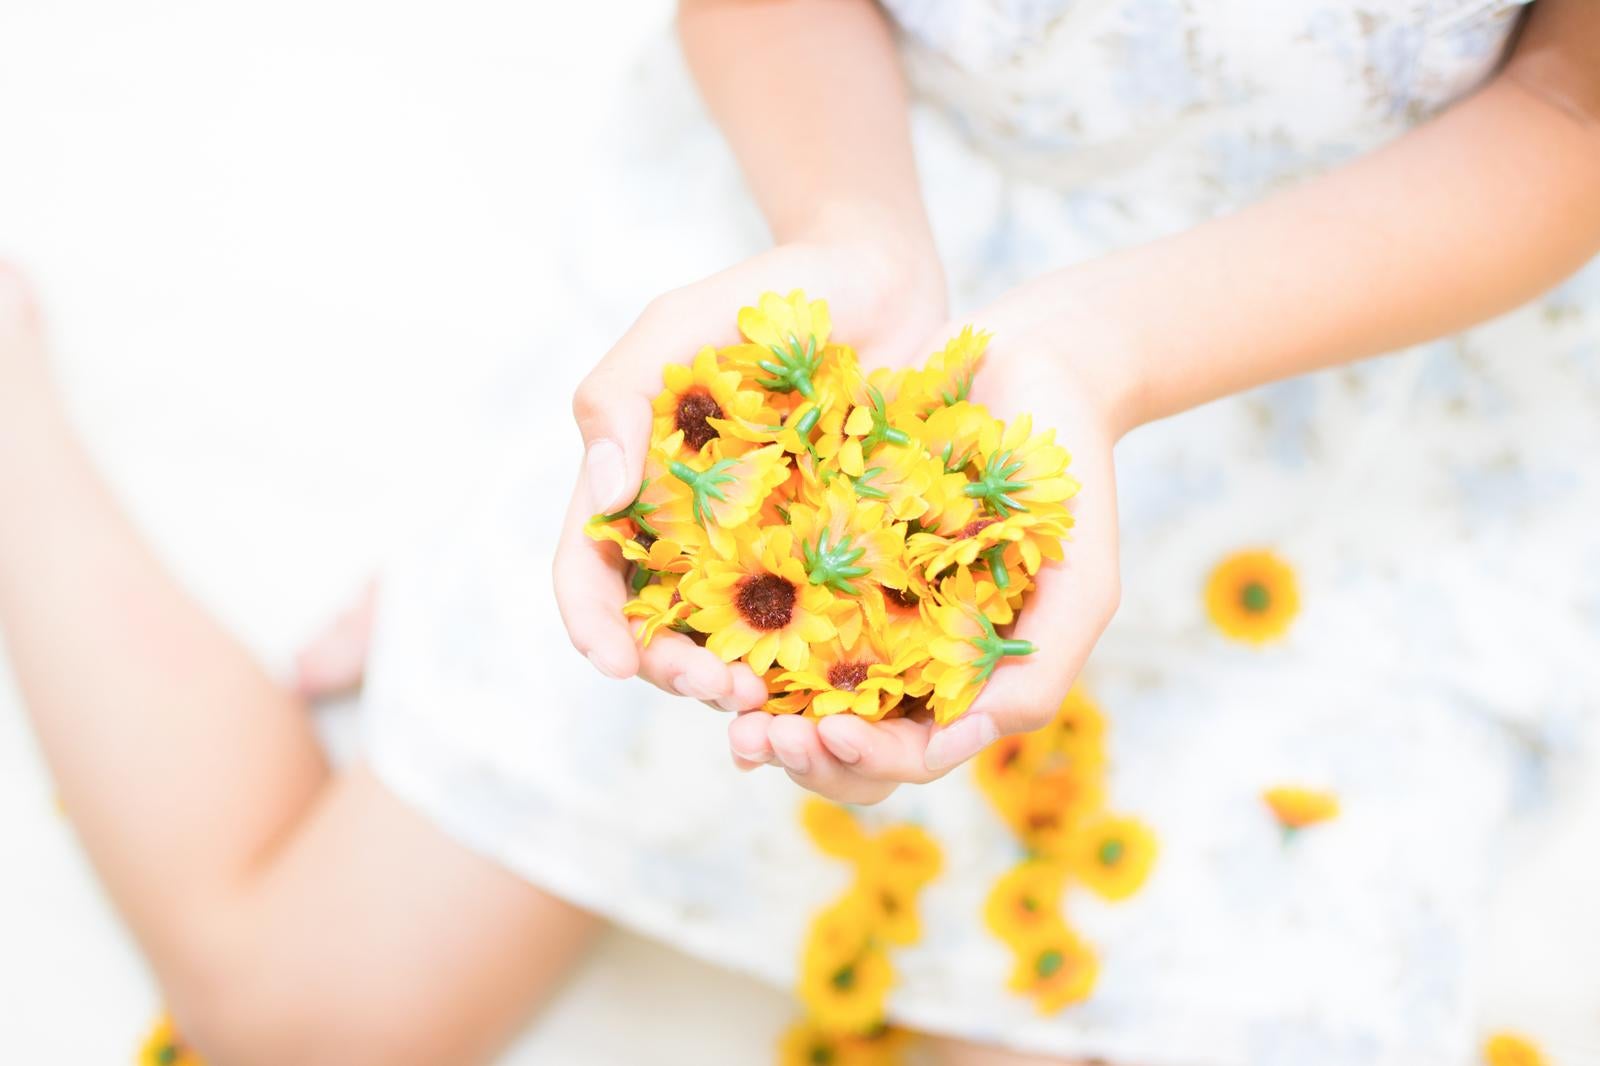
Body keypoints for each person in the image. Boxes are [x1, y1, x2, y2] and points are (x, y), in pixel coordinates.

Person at [4, 1, 1598, 1063]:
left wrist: (1098, 358)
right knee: (309, 1011)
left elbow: (1573, 105)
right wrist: (851, 239)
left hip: (1348, 369)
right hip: (826, 225)